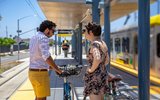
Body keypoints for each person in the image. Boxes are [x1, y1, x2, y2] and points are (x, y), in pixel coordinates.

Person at [29, 20, 62, 100]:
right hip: (40, 74)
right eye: (53, 31)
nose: (53, 33)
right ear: (47, 30)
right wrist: (58, 70)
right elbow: (46, 56)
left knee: (38, 97)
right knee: (42, 98)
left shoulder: (34, 37)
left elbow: (38, 57)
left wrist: (51, 67)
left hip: (32, 73)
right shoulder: (43, 38)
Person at [83, 22, 109, 100]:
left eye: (85, 31)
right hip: (103, 74)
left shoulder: (94, 44)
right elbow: (107, 60)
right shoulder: (103, 43)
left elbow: (97, 58)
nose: (84, 34)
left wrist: (91, 70)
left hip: (94, 77)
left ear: (90, 32)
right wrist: (101, 67)